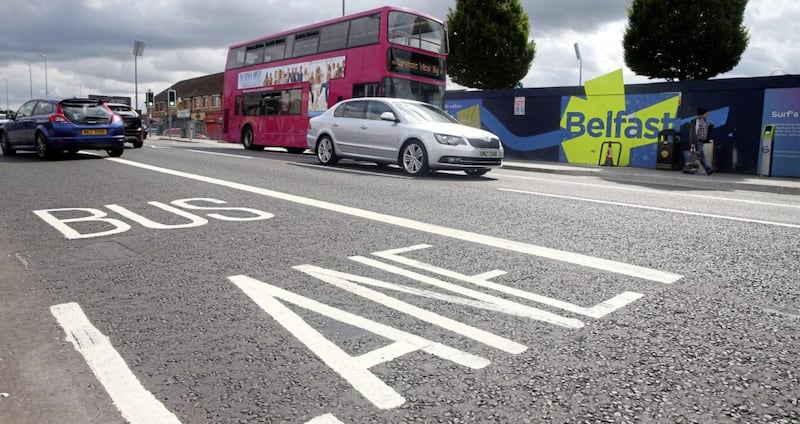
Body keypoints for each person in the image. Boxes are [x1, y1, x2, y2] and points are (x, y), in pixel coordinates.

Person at [687, 107, 714, 175]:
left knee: (700, 155)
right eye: (706, 113)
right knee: (700, 155)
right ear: (702, 114)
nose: (708, 114)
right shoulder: (696, 121)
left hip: (701, 141)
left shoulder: (704, 121)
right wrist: (692, 142)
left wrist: (710, 126)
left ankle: (707, 169)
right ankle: (708, 169)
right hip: (697, 141)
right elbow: (692, 132)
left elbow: (706, 131)